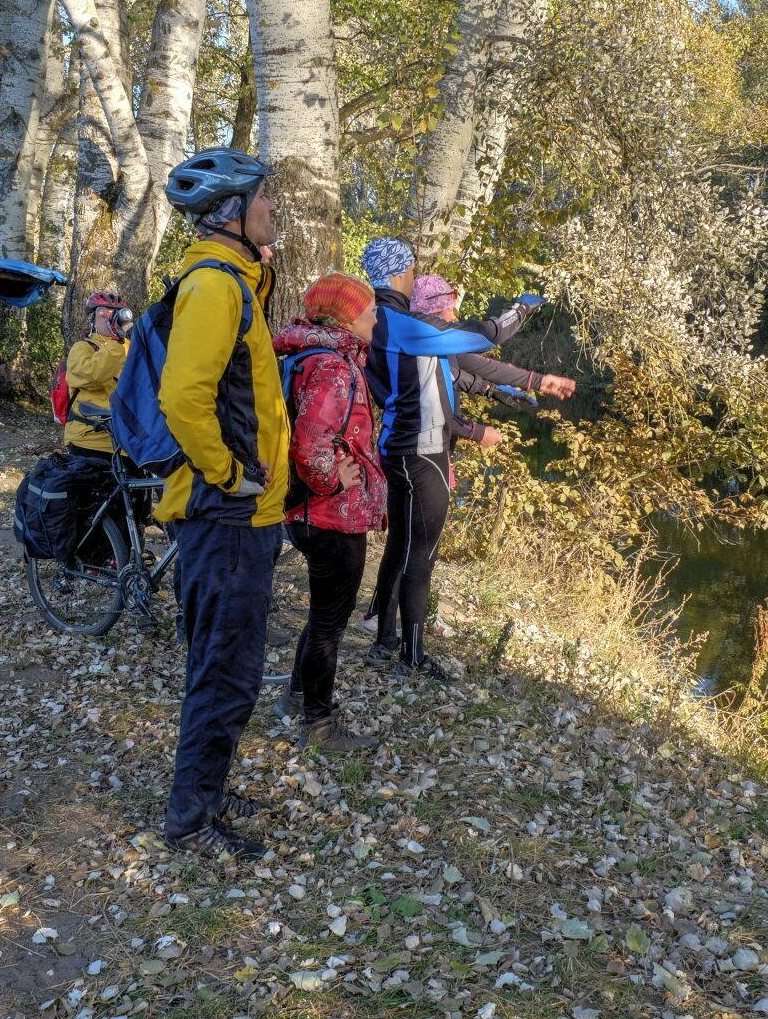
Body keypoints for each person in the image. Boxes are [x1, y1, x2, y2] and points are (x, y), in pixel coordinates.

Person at [157, 147, 290, 861]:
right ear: (230, 211)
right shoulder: (213, 286)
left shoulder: (239, 280)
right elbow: (183, 398)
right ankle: (190, 820)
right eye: (263, 197)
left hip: (245, 516)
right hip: (228, 514)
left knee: (227, 667)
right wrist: (232, 474)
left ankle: (207, 791)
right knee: (225, 673)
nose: (273, 207)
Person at [359, 238, 573, 679]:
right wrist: (522, 308)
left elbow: (464, 368)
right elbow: (485, 336)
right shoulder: (405, 324)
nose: (414, 275)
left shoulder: (375, 320)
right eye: (411, 268)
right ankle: (412, 658)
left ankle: (385, 642)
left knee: (400, 546)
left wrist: (527, 382)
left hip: (396, 447)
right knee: (421, 556)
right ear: (398, 273)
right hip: (423, 451)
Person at [270, 273, 386, 752]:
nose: (376, 319)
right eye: (369, 311)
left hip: (306, 510)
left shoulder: (305, 355)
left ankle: (296, 697)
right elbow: (310, 444)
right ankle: (319, 724)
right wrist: (333, 479)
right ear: (346, 318)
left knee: (322, 615)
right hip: (329, 513)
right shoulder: (334, 368)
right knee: (329, 624)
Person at [63, 291, 131, 461]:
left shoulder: (128, 348)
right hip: (89, 437)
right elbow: (94, 375)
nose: (109, 317)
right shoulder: (82, 348)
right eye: (103, 312)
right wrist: (116, 341)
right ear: (92, 318)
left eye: (115, 313)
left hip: (125, 438)